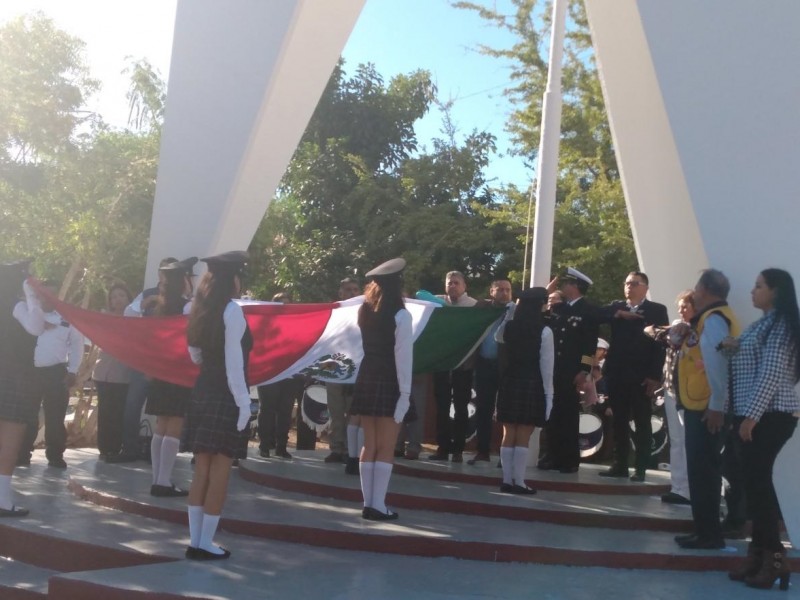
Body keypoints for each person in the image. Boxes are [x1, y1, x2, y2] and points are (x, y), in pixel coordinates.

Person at [726, 269, 799, 589]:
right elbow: (745, 354)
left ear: (776, 291)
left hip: (771, 415)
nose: (752, 291)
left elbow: (770, 374)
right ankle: (758, 555)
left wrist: (751, 417)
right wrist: (731, 345)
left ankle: (776, 560)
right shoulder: (762, 325)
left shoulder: (780, 327)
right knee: (755, 486)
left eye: (759, 287)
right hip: (756, 414)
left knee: (759, 485)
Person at [183, 251, 252, 560]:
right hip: (226, 393)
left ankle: (196, 541)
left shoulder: (199, 308)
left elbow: (195, 355)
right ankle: (205, 543)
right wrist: (244, 404)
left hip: (203, 389)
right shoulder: (232, 311)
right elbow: (234, 365)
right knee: (221, 469)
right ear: (233, 278)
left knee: (202, 470)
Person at [673, 270, 738, 550]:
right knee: (701, 470)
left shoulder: (713, 321)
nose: (694, 291)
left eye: (697, 287)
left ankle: (709, 534)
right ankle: (704, 530)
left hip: (705, 408)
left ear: (706, 289)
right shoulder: (707, 320)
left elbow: (717, 364)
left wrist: (716, 407)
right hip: (700, 404)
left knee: (704, 471)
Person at [349, 258, 412, 521]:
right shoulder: (402, 315)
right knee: (386, 446)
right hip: (390, 380)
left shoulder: (365, 310)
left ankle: (369, 503)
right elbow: (403, 357)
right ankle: (377, 505)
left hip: (367, 376)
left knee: (370, 444)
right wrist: (405, 395)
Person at [598, 271, 668, 482]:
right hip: (617, 374)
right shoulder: (617, 307)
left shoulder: (656, 310)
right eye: (627, 283)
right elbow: (596, 315)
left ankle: (640, 467)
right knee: (618, 421)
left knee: (642, 422)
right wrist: (618, 314)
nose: (630, 287)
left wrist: (654, 376)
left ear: (646, 287)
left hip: (641, 376)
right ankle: (619, 464)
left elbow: (660, 345)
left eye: (635, 284)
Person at [109, 256, 178, 463]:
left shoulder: (183, 297)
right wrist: (147, 303)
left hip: (167, 363)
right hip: (143, 361)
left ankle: (159, 454)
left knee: (165, 410)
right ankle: (129, 448)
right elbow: (129, 315)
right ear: (159, 274)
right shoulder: (147, 294)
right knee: (132, 406)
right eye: (165, 272)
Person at [18, 279, 84, 469]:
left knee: (55, 416)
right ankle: (22, 454)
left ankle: (55, 455)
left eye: (52, 294)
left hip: (56, 372)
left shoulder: (67, 318)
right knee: (27, 414)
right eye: (44, 294)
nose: (48, 298)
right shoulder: (29, 315)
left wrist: (73, 371)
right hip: (31, 371)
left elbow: (77, 345)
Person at [145, 257, 197, 497]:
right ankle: (163, 481)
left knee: (162, 426)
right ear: (184, 281)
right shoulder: (188, 307)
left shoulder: (160, 308)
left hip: (160, 371)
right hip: (178, 371)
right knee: (173, 424)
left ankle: (158, 479)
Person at [494, 287, 554, 493]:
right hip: (532, 382)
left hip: (509, 381)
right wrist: (549, 396)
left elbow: (498, 337)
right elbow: (547, 367)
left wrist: (510, 314)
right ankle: (518, 481)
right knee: (523, 434)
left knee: (508, 432)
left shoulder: (510, 327)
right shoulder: (544, 331)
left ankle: (506, 480)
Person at [540, 268, 598, 474]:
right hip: (554, 369)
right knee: (551, 413)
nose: (563, 286)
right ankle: (551, 455)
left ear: (575, 286)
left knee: (568, 415)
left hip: (571, 371)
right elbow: (542, 318)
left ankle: (569, 459)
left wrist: (583, 370)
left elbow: (589, 346)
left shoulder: (588, 310)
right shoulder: (560, 308)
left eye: (566, 283)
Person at [0, 261, 44, 516]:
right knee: (9, 444)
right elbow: (36, 327)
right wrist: (31, 297)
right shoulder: (15, 305)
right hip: (15, 377)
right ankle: (3, 501)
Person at [645, 290, 694, 505]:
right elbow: (651, 331)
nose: (682, 310)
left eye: (686, 306)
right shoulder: (676, 324)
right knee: (676, 440)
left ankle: (690, 488)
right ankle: (678, 487)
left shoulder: (700, 328)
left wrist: (675, 331)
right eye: (680, 306)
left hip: (691, 392)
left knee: (690, 441)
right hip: (671, 388)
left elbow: (675, 339)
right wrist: (670, 329)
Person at [429, 271, 478, 463]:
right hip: (442, 364)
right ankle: (442, 448)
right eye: (450, 283)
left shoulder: (474, 306)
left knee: (461, 408)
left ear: (464, 286)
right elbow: (418, 297)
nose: (453, 286)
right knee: (441, 407)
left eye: (457, 283)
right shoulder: (436, 303)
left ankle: (458, 449)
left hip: (463, 366)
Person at [468, 279, 512, 465]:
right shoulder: (482, 309)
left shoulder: (515, 312)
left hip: (506, 368)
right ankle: (482, 451)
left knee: (506, 412)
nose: (504, 293)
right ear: (491, 291)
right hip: (484, 365)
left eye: (508, 290)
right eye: (500, 289)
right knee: (484, 410)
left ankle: (505, 456)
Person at [257, 292, 300, 460]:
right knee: (267, 409)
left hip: (290, 374)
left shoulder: (298, 324)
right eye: (280, 304)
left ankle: (281, 446)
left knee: (285, 410)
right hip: (269, 372)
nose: (284, 307)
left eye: (287, 304)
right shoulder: (265, 324)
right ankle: (265, 445)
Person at [93, 284, 134, 460]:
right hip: (103, 372)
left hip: (123, 374)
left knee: (118, 412)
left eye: (121, 295)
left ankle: (115, 448)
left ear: (128, 298)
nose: (118, 299)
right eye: (114, 296)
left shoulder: (135, 320)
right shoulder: (105, 318)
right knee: (105, 412)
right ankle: (104, 449)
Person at [325, 277, 361, 465]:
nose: (352, 293)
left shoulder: (365, 312)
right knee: (336, 411)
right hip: (334, 368)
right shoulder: (333, 311)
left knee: (353, 412)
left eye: (355, 289)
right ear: (340, 293)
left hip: (356, 369)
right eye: (348, 290)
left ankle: (350, 449)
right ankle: (336, 448)